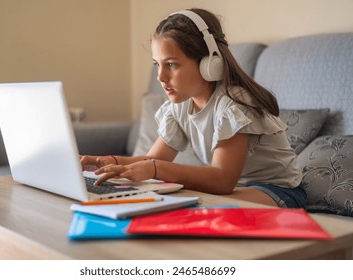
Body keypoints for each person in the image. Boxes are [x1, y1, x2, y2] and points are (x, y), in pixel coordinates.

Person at [80, 8, 306, 208]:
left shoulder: (232, 106)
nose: (161, 76)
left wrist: (155, 169)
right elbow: (152, 159)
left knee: (196, 208)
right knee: (168, 202)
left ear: (210, 63)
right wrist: (110, 162)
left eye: (171, 65)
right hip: (238, 188)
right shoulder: (179, 106)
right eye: (157, 65)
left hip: (276, 191)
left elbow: (222, 179)